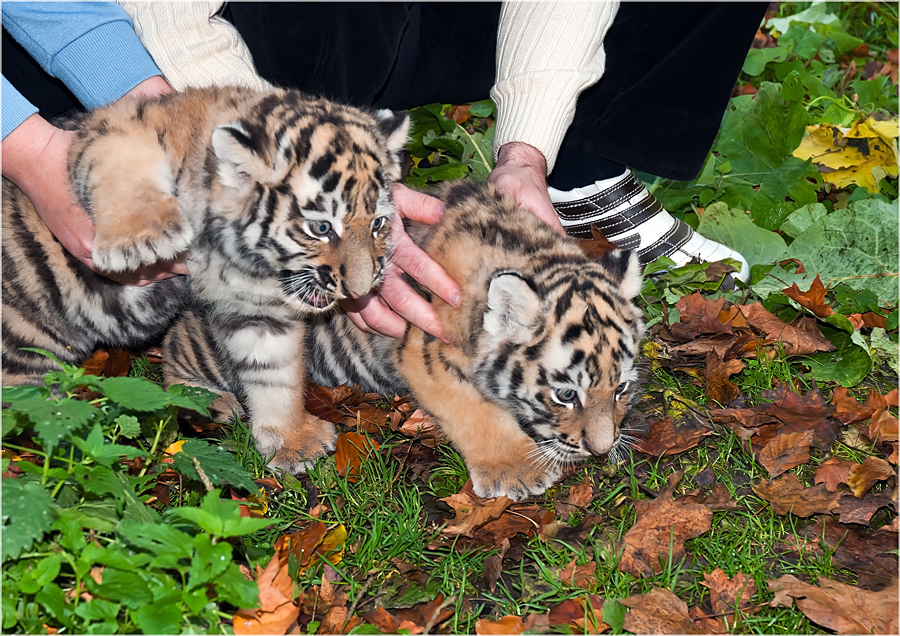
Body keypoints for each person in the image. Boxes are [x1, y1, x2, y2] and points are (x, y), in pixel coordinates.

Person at [3, 2, 767, 341]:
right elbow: (164, 20)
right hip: (207, 33)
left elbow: (63, 13)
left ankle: (579, 176)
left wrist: (527, 150)